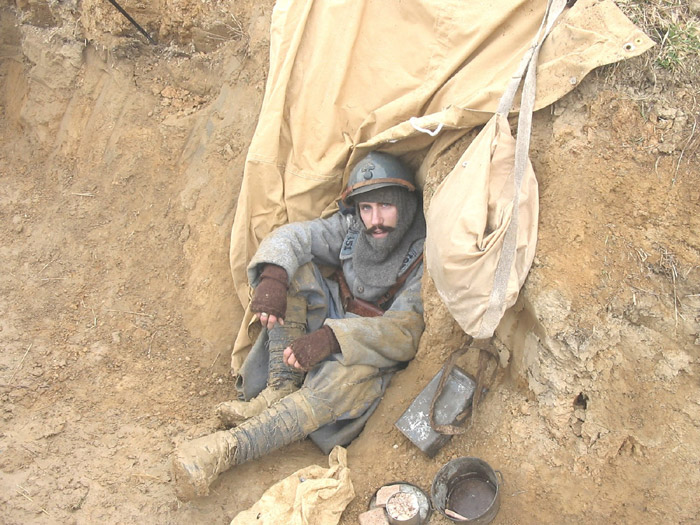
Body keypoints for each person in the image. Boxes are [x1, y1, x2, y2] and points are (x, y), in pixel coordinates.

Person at [171, 151, 426, 501]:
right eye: (366, 208)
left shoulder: (424, 253)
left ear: (405, 204)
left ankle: (225, 450)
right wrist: (274, 277)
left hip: (369, 349)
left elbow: (406, 331)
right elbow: (295, 237)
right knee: (294, 268)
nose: (375, 220)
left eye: (385, 206)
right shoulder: (352, 230)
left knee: (341, 382)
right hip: (336, 320)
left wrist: (333, 338)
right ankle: (280, 388)